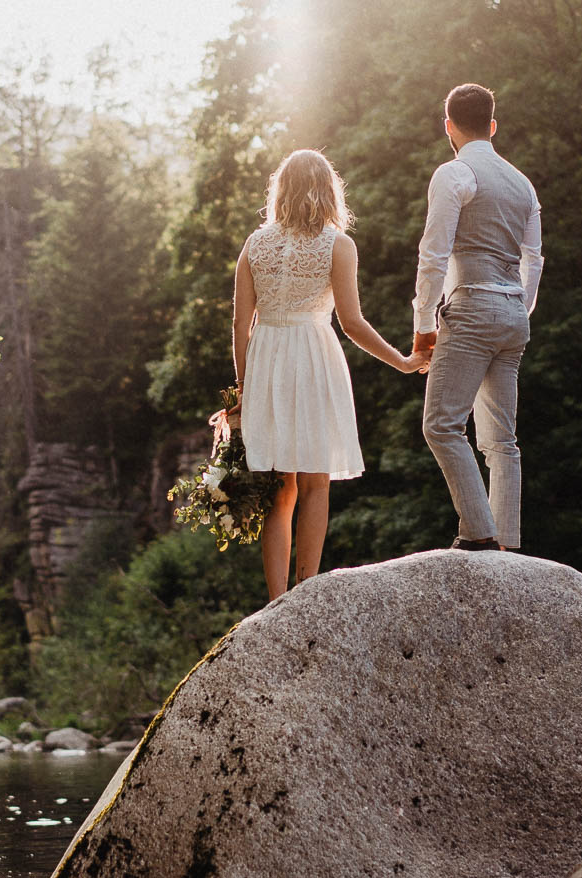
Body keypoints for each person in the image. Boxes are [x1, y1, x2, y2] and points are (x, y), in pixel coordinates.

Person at [231, 148, 430, 600]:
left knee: (280, 488)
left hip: (267, 361)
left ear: (281, 189)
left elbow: (241, 325)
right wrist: (401, 360)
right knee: (316, 480)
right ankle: (306, 590)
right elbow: (352, 324)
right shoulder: (338, 244)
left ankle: (276, 599)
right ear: (328, 191)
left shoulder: (254, 244)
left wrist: (245, 389)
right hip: (312, 356)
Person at [412, 82, 544, 552]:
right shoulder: (522, 184)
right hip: (513, 315)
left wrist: (424, 324)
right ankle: (508, 541)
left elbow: (434, 255)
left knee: (441, 425)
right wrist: (519, 307)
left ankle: (479, 534)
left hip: (472, 309)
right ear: (493, 126)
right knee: (501, 439)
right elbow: (535, 258)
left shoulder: (455, 173)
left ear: (448, 126)